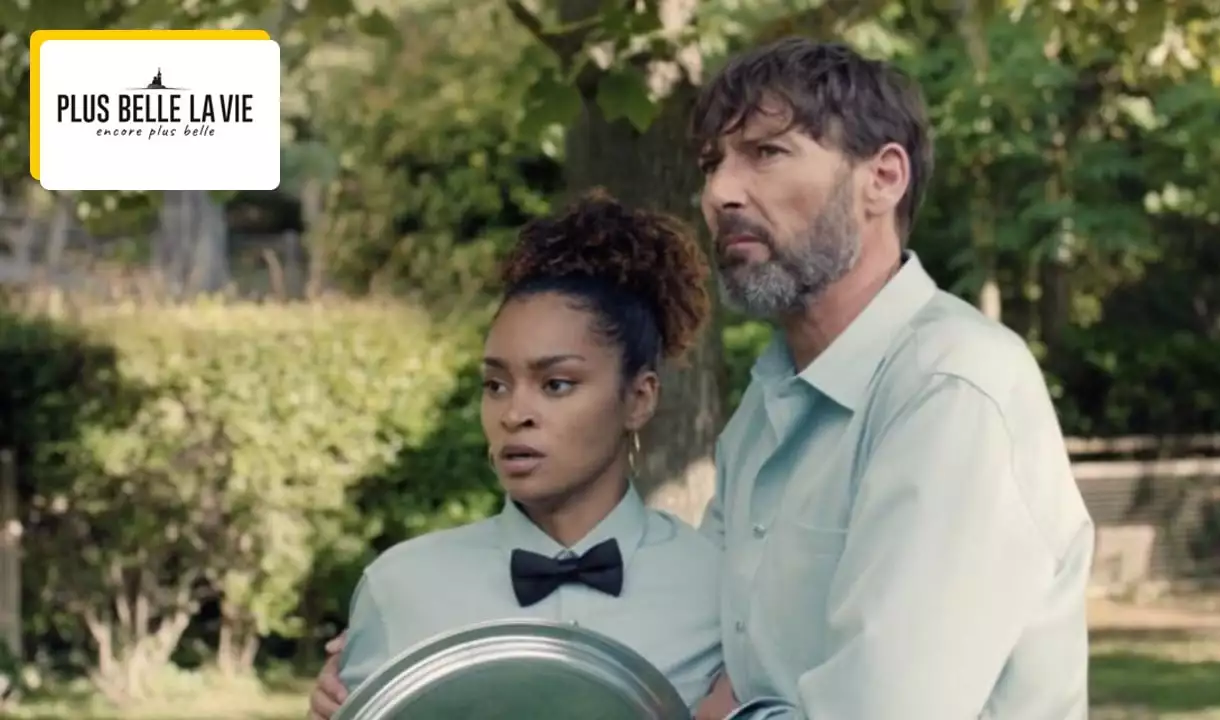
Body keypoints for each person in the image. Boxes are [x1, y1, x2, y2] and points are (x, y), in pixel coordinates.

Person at [313, 36, 1094, 720]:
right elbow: (692, 628)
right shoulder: (764, 413)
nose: (719, 193)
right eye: (713, 163)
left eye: (766, 153)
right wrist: (420, 671)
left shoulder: (949, 388)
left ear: (882, 178)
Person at [320, 191, 724, 718]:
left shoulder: (718, 589)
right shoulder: (400, 587)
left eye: (556, 384)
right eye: (496, 385)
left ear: (639, 398)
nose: (514, 414)